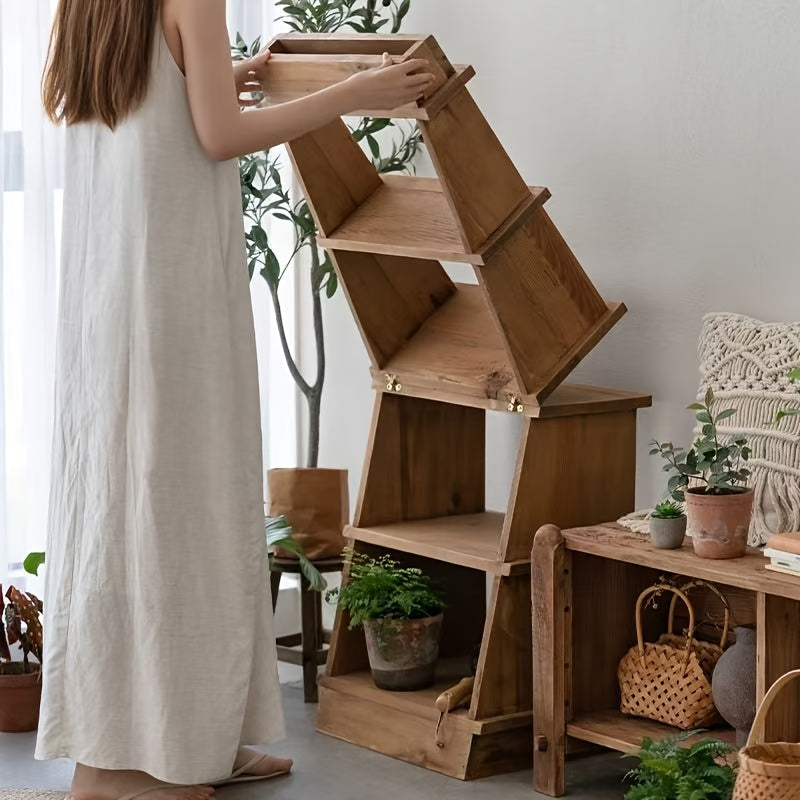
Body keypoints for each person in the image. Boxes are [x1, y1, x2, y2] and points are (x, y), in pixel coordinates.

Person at [37, 2, 434, 799]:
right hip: (170, 300)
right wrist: (364, 91)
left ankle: (151, 744)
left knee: (120, 513)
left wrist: (220, 77)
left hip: (106, 302)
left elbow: (145, 107)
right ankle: (155, 761)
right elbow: (220, 139)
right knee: (185, 512)